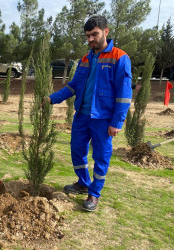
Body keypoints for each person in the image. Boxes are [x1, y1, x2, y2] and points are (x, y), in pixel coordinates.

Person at [44, 16, 132, 211]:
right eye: (87, 36)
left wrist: (117, 122)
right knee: (76, 150)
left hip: (103, 119)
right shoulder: (85, 59)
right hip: (82, 116)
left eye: (95, 34)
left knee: (101, 156)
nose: (91, 39)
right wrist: (52, 98)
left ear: (106, 32)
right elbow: (73, 86)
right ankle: (83, 182)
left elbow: (124, 94)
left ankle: (94, 194)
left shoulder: (119, 57)